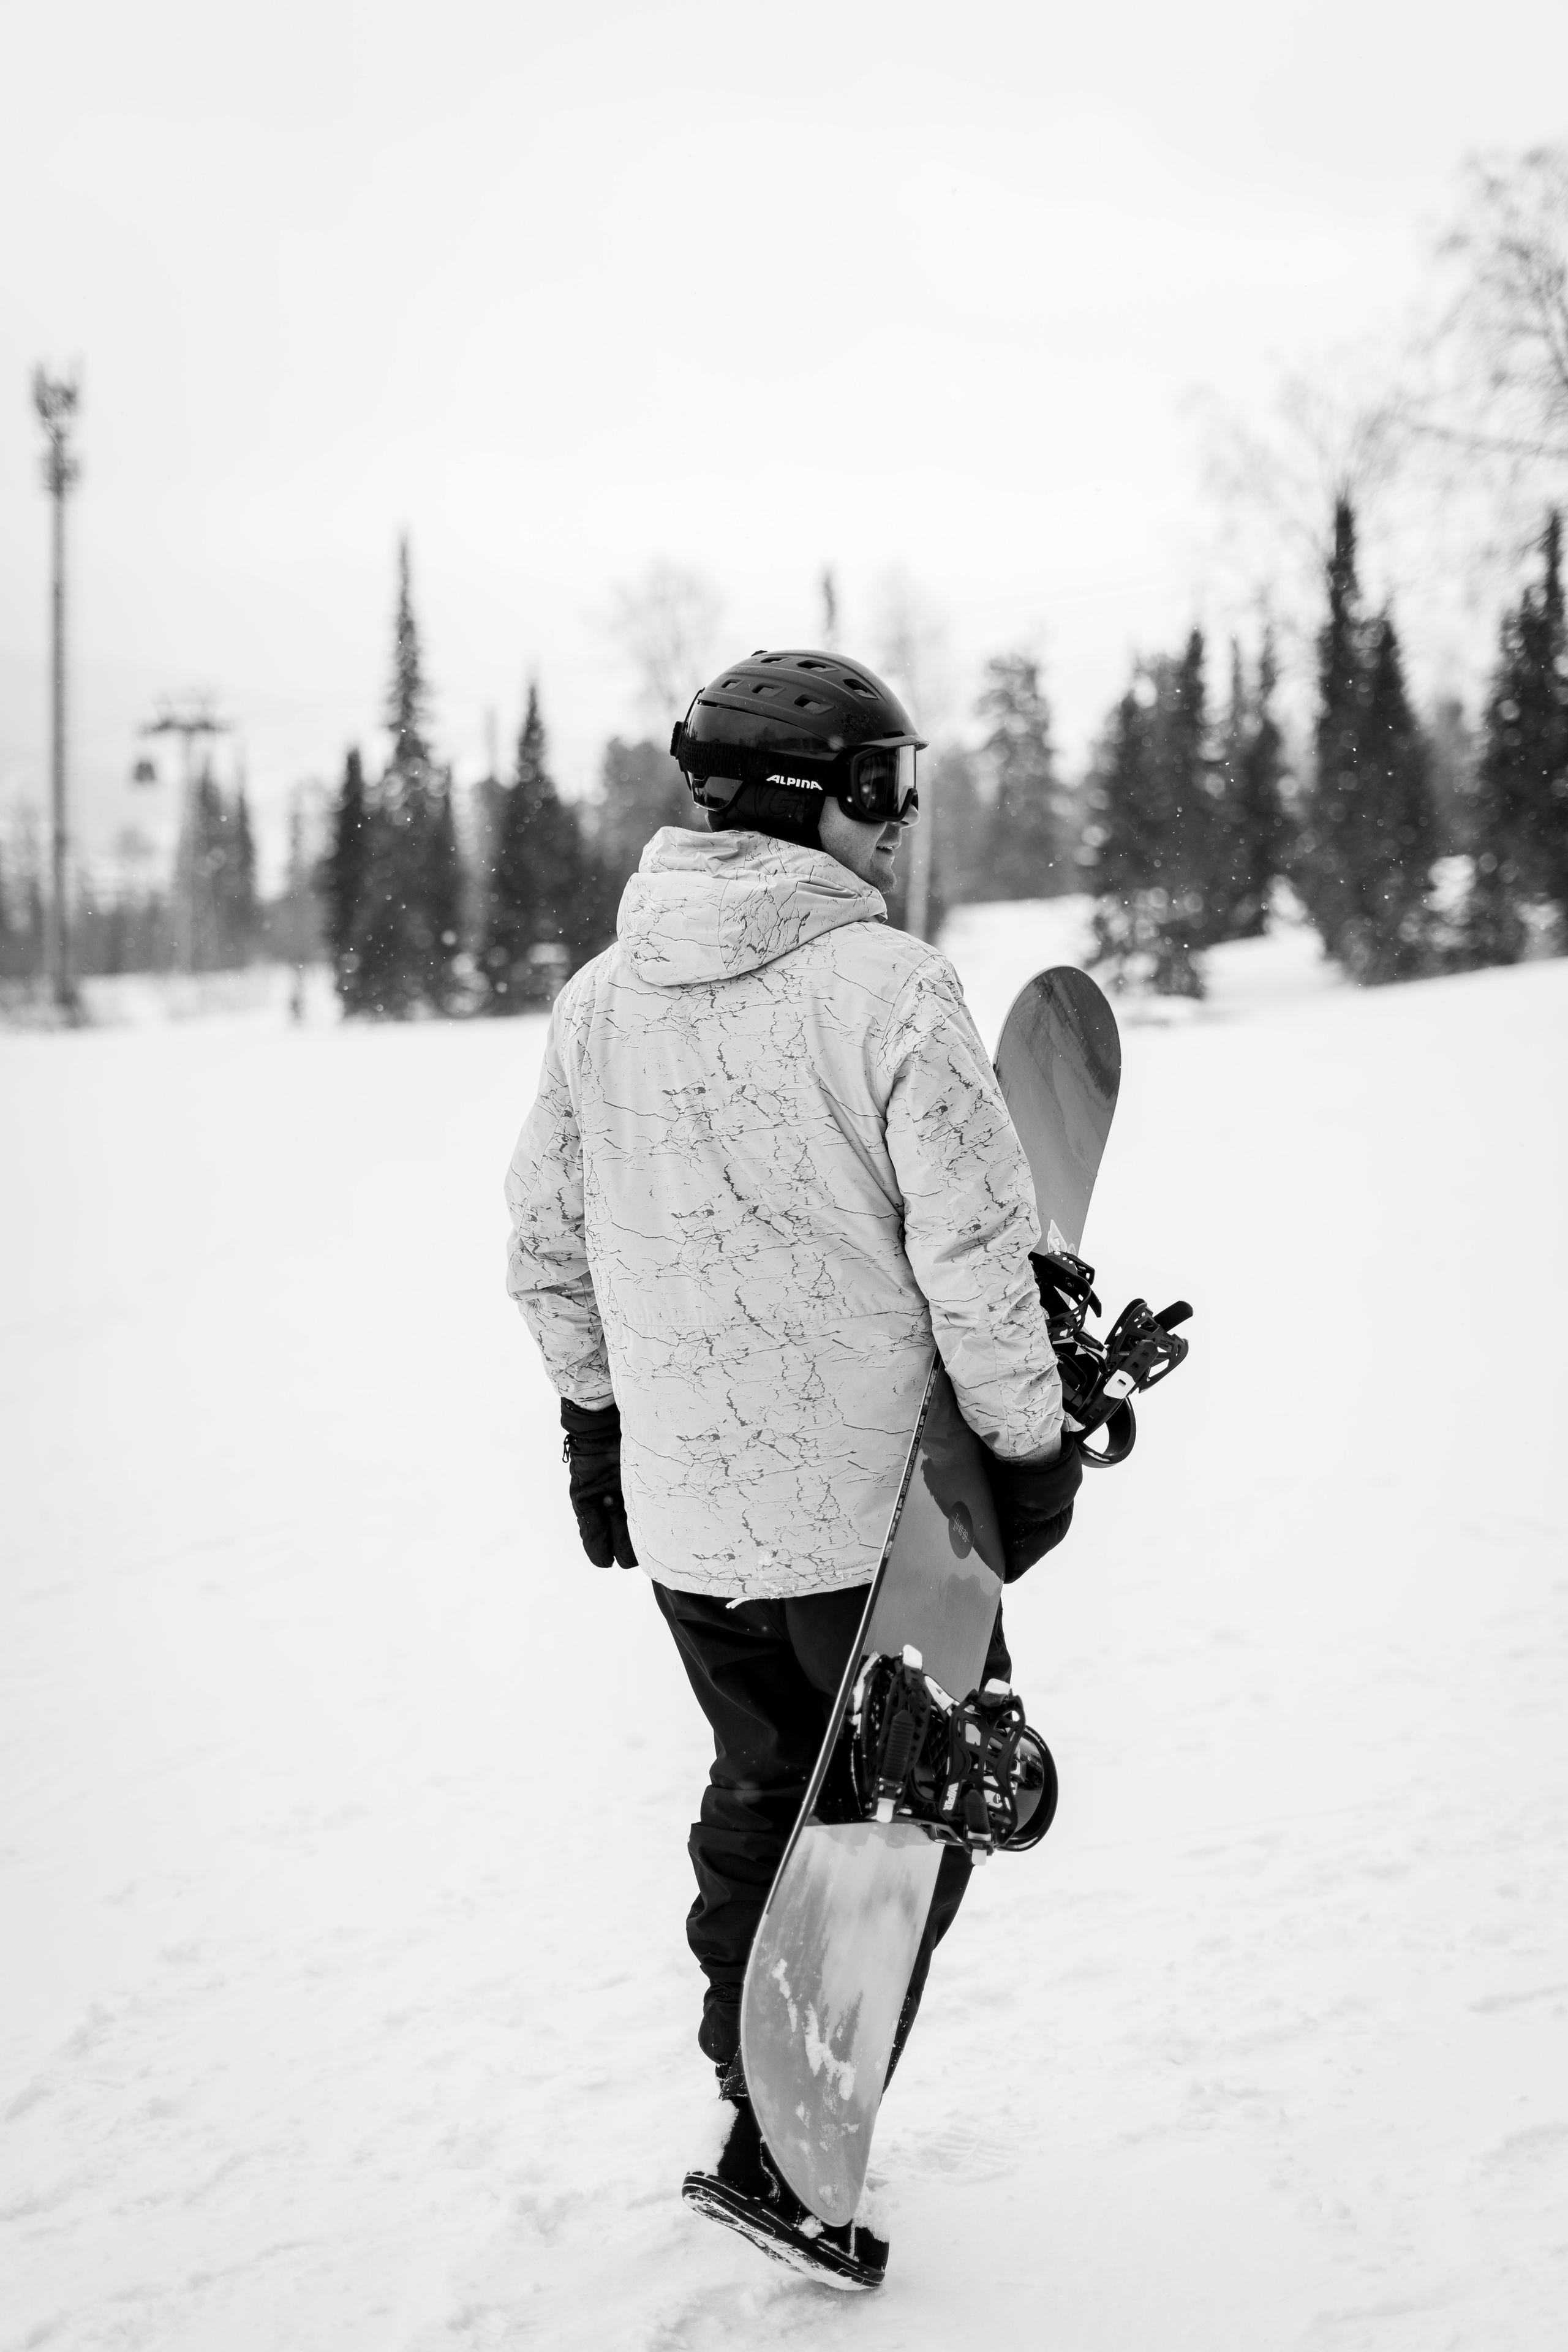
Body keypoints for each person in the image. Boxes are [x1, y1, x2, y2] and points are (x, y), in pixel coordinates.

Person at [505, 647, 1081, 2286]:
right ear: (808, 799)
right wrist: (1026, 1464)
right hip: (866, 1526)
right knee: (904, 1825)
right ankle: (786, 2135)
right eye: (882, 787)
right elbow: (976, 1256)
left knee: (767, 1785)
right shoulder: (889, 992)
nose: (896, 826)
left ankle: (741, 2081)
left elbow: (546, 1255)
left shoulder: (595, 1006)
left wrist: (596, 1427)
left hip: (699, 1534)